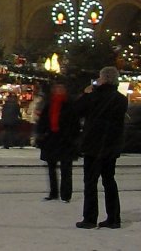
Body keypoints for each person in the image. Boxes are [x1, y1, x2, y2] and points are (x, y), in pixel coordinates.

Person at [75, 66, 128, 230]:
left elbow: (77, 110)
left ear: (103, 78)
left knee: (90, 182)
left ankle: (90, 218)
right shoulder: (121, 99)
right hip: (111, 145)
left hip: (93, 144)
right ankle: (114, 218)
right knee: (109, 181)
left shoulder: (94, 96)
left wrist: (87, 92)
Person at [35, 82, 77, 203]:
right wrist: (41, 134)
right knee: (51, 168)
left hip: (65, 140)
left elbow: (74, 123)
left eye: (61, 88)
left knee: (66, 169)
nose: (58, 90)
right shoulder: (49, 104)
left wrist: (72, 137)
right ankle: (53, 193)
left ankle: (65, 195)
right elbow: (42, 121)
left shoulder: (69, 104)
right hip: (51, 139)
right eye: (56, 88)